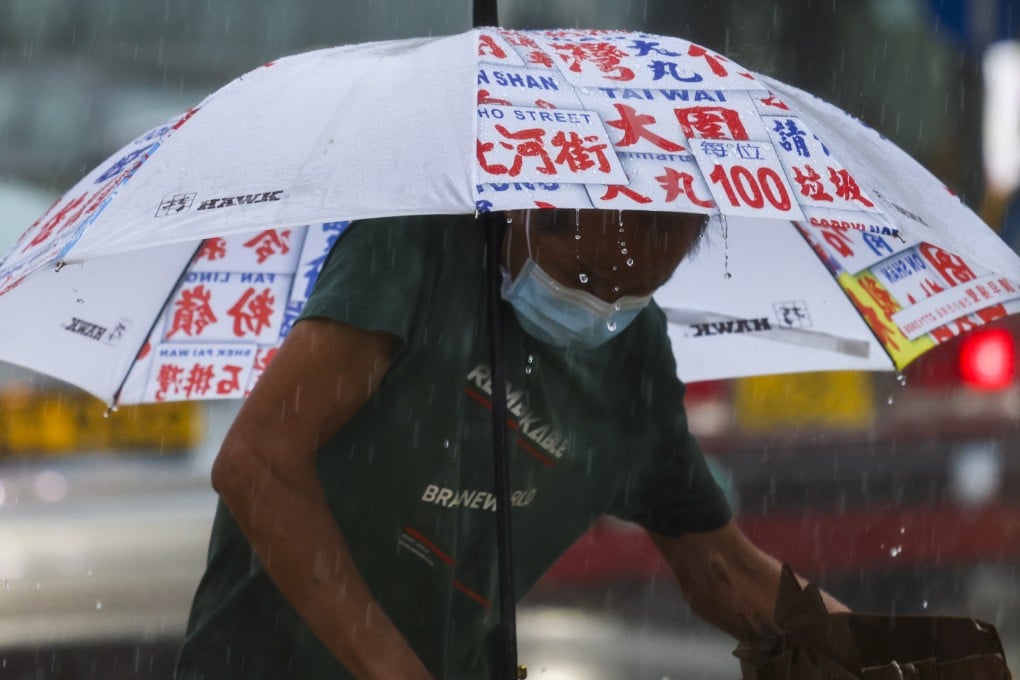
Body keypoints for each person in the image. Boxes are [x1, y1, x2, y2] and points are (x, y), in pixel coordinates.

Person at [176, 208, 846, 679]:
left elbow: (719, 568)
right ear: (537, 200)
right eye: (587, 277)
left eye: (635, 293)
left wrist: (877, 656)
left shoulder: (630, 354)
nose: (600, 307)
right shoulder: (415, 249)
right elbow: (257, 463)